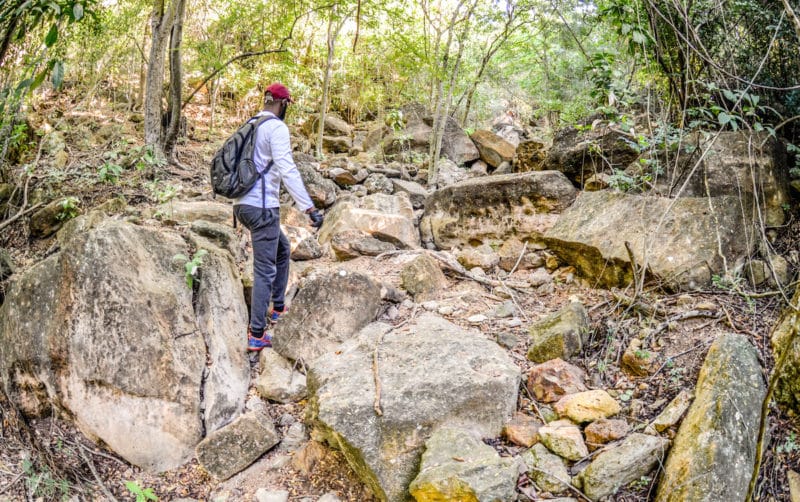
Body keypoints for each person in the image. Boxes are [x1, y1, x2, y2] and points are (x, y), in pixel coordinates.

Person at [234, 82, 323, 351]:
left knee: (282, 248)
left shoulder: (250, 125)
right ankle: (257, 333)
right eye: (287, 106)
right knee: (264, 269)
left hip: (242, 205)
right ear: (282, 103)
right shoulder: (276, 128)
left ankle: (278, 307)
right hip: (262, 208)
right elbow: (287, 168)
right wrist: (308, 207)